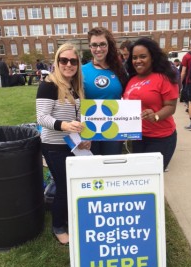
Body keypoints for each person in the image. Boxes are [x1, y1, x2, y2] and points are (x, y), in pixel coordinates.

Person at [36, 43, 91, 245]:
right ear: (57, 62)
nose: (68, 64)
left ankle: (67, 218)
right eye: (64, 60)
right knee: (63, 186)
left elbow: (79, 118)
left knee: (72, 185)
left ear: (78, 64)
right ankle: (58, 226)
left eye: (73, 61)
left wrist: (84, 139)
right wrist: (65, 125)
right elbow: (42, 118)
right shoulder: (49, 85)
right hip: (53, 146)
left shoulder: (75, 87)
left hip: (72, 145)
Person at [123, 37, 179, 171]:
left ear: (152, 57)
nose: (138, 61)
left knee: (152, 178)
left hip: (160, 138)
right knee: (140, 177)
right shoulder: (132, 80)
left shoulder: (163, 78)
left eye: (143, 56)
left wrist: (156, 116)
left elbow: (171, 107)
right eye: (134, 57)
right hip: (138, 137)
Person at [82, 27, 128, 155]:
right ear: (89, 46)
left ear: (109, 45)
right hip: (90, 130)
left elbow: (128, 97)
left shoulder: (120, 70)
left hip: (114, 129)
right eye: (94, 45)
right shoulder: (81, 71)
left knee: (111, 167)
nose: (98, 49)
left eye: (102, 44)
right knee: (93, 169)